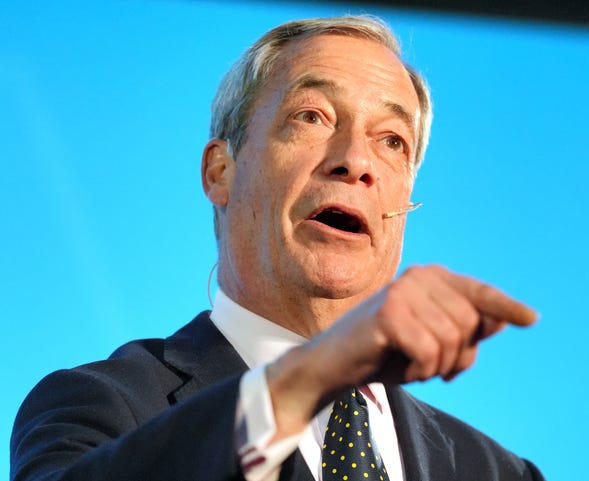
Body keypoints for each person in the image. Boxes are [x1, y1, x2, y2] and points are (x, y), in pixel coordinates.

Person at [10, 15, 545, 481]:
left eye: (392, 141)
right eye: (311, 117)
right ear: (221, 171)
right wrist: (311, 375)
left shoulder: (497, 471)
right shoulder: (100, 405)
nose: (356, 161)